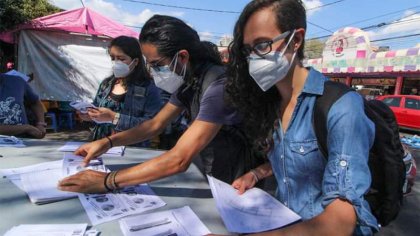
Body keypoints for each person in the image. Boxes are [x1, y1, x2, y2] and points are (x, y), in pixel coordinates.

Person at [58, 15, 262, 193]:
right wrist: (107, 142)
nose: (154, 71)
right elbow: (154, 125)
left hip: (237, 178)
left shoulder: (218, 86)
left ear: (182, 57)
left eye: (157, 65)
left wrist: (107, 180)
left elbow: (179, 159)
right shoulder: (190, 81)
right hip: (211, 167)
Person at [224, 0, 378, 235]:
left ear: (295, 40)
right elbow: (296, 159)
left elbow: (341, 220)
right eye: (247, 50)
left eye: (262, 45)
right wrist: (256, 173)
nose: (253, 58)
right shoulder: (271, 103)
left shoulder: (341, 106)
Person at [78, 36, 163, 147]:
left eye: (121, 59)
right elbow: (96, 109)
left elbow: (152, 125)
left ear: (136, 61)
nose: (116, 63)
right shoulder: (106, 85)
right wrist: (89, 115)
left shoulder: (149, 87)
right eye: (113, 58)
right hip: (100, 145)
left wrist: (114, 117)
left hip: (130, 148)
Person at [0, 73, 46, 138]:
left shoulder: (17, 81)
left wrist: (41, 124)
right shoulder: (27, 129)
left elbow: (35, 103)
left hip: (24, 140)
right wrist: (26, 128)